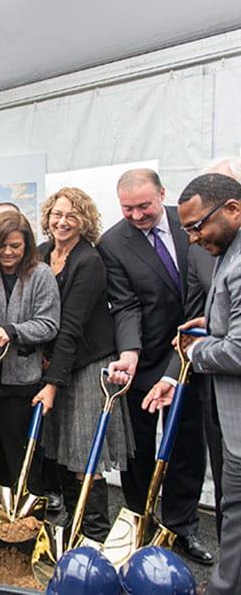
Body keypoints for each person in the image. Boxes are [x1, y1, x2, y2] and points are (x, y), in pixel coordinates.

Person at [99, 169, 211, 563]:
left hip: (191, 355)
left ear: (162, 194)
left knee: (186, 447)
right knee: (139, 450)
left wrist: (187, 347)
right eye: (127, 208)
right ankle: (140, 523)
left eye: (144, 206)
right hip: (143, 359)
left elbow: (202, 294)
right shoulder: (113, 242)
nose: (136, 215)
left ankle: (181, 527)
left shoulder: (192, 223)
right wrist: (129, 351)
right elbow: (125, 303)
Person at [142, 173, 241, 594]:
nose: (193, 238)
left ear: (233, 210)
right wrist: (211, 324)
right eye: (186, 229)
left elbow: (237, 350)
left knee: (233, 510)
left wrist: (194, 352)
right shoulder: (229, 253)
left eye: (198, 226)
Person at [38, 187, 134, 542]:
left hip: (89, 363)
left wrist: (52, 382)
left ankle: (94, 533)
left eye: (71, 216)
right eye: (57, 214)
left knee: (83, 451)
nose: (62, 222)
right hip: (58, 361)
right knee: (62, 446)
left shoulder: (88, 261)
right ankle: (71, 523)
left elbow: (71, 327)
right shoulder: (42, 253)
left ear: (84, 221)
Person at [0, 211, 60, 499]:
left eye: (16, 246)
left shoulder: (41, 275)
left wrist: (12, 331)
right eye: (2, 245)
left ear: (27, 245)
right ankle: (1, 513)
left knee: (22, 456)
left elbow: (49, 323)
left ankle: (28, 516)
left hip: (23, 381)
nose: (8, 252)